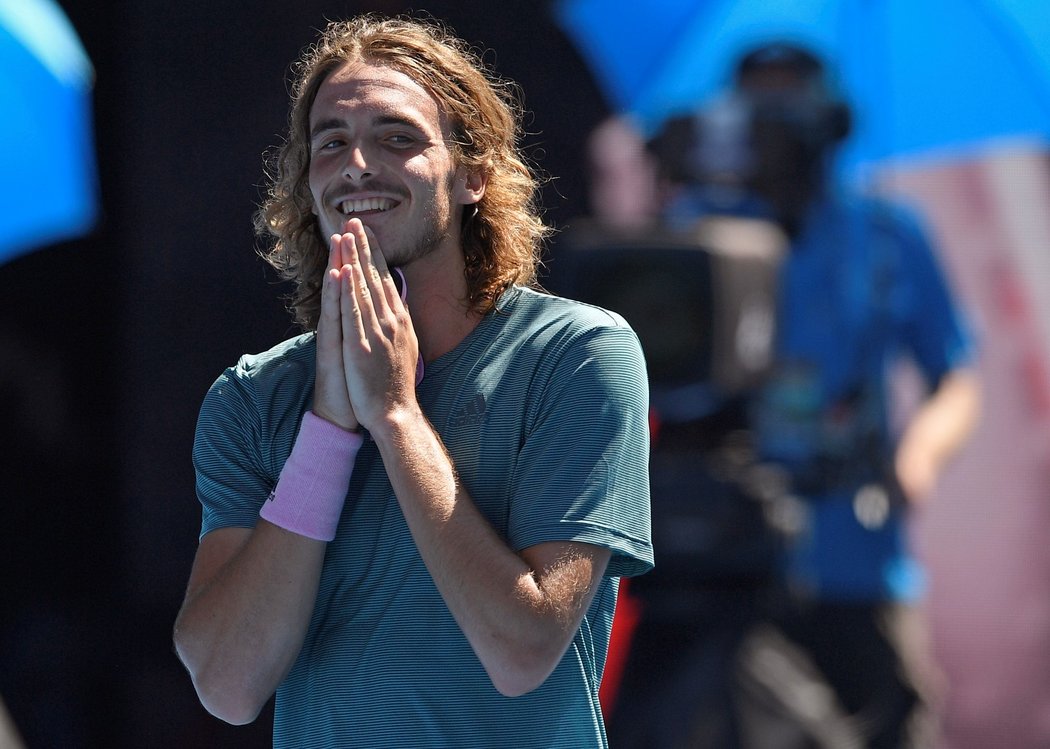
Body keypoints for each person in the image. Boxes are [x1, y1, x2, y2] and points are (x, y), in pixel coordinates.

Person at [172, 14, 653, 748]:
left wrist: (395, 416)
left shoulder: (579, 354)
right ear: (309, 183)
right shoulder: (250, 396)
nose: (357, 164)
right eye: (331, 142)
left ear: (473, 174)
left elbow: (522, 650)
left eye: (398, 137)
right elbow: (229, 687)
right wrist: (329, 434)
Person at [643, 43, 982, 747]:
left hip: (852, 556)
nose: (770, 133)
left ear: (829, 122)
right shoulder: (690, 231)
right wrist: (660, 191)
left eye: (787, 111)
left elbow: (956, 374)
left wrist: (919, 454)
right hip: (713, 555)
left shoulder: (888, 234)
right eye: (754, 113)